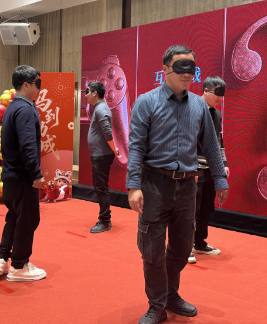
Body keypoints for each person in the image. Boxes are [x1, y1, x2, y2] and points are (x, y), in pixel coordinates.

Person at [126, 45, 229, 324]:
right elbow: (136, 147)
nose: (187, 74)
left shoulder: (199, 105)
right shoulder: (146, 102)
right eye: (181, 67)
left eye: (191, 68)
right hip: (154, 185)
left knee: (183, 249)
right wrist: (133, 185)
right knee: (152, 251)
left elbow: (210, 146)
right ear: (165, 70)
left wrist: (220, 179)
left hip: (187, 188)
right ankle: (156, 305)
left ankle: (171, 295)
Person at [0, 65, 47, 282]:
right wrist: (36, 174)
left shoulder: (14, 106)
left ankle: (2, 257)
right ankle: (19, 265)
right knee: (28, 219)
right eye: (38, 83)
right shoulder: (25, 109)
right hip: (23, 177)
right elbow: (28, 144)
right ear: (26, 85)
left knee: (14, 217)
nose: (40, 88)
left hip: (11, 175)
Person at [188, 76, 229, 265]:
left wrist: (223, 164)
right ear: (205, 90)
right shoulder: (192, 108)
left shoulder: (217, 115)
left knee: (206, 207)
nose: (220, 98)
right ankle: (185, 246)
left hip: (210, 169)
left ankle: (199, 243)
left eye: (222, 94)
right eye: (217, 93)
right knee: (191, 209)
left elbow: (219, 141)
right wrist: (190, 167)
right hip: (193, 168)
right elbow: (186, 140)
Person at [85, 81, 122, 233]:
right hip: (99, 155)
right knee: (101, 187)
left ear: (94, 93)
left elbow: (107, 132)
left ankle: (105, 221)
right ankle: (105, 219)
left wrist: (114, 149)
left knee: (101, 188)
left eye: (87, 91)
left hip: (101, 156)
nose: (85, 95)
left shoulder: (101, 109)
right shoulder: (99, 108)